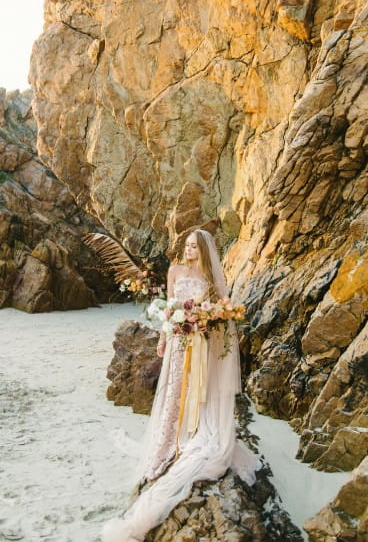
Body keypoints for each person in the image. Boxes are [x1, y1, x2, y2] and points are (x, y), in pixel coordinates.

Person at [102, 229, 261, 541]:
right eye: (186, 245)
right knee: (173, 388)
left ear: (202, 249)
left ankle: (191, 432)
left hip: (198, 342)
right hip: (176, 340)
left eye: (193, 246)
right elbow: (169, 307)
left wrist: (205, 320)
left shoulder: (209, 276)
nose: (188, 250)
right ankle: (167, 440)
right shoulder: (174, 270)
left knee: (195, 388)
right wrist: (163, 336)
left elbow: (218, 313)